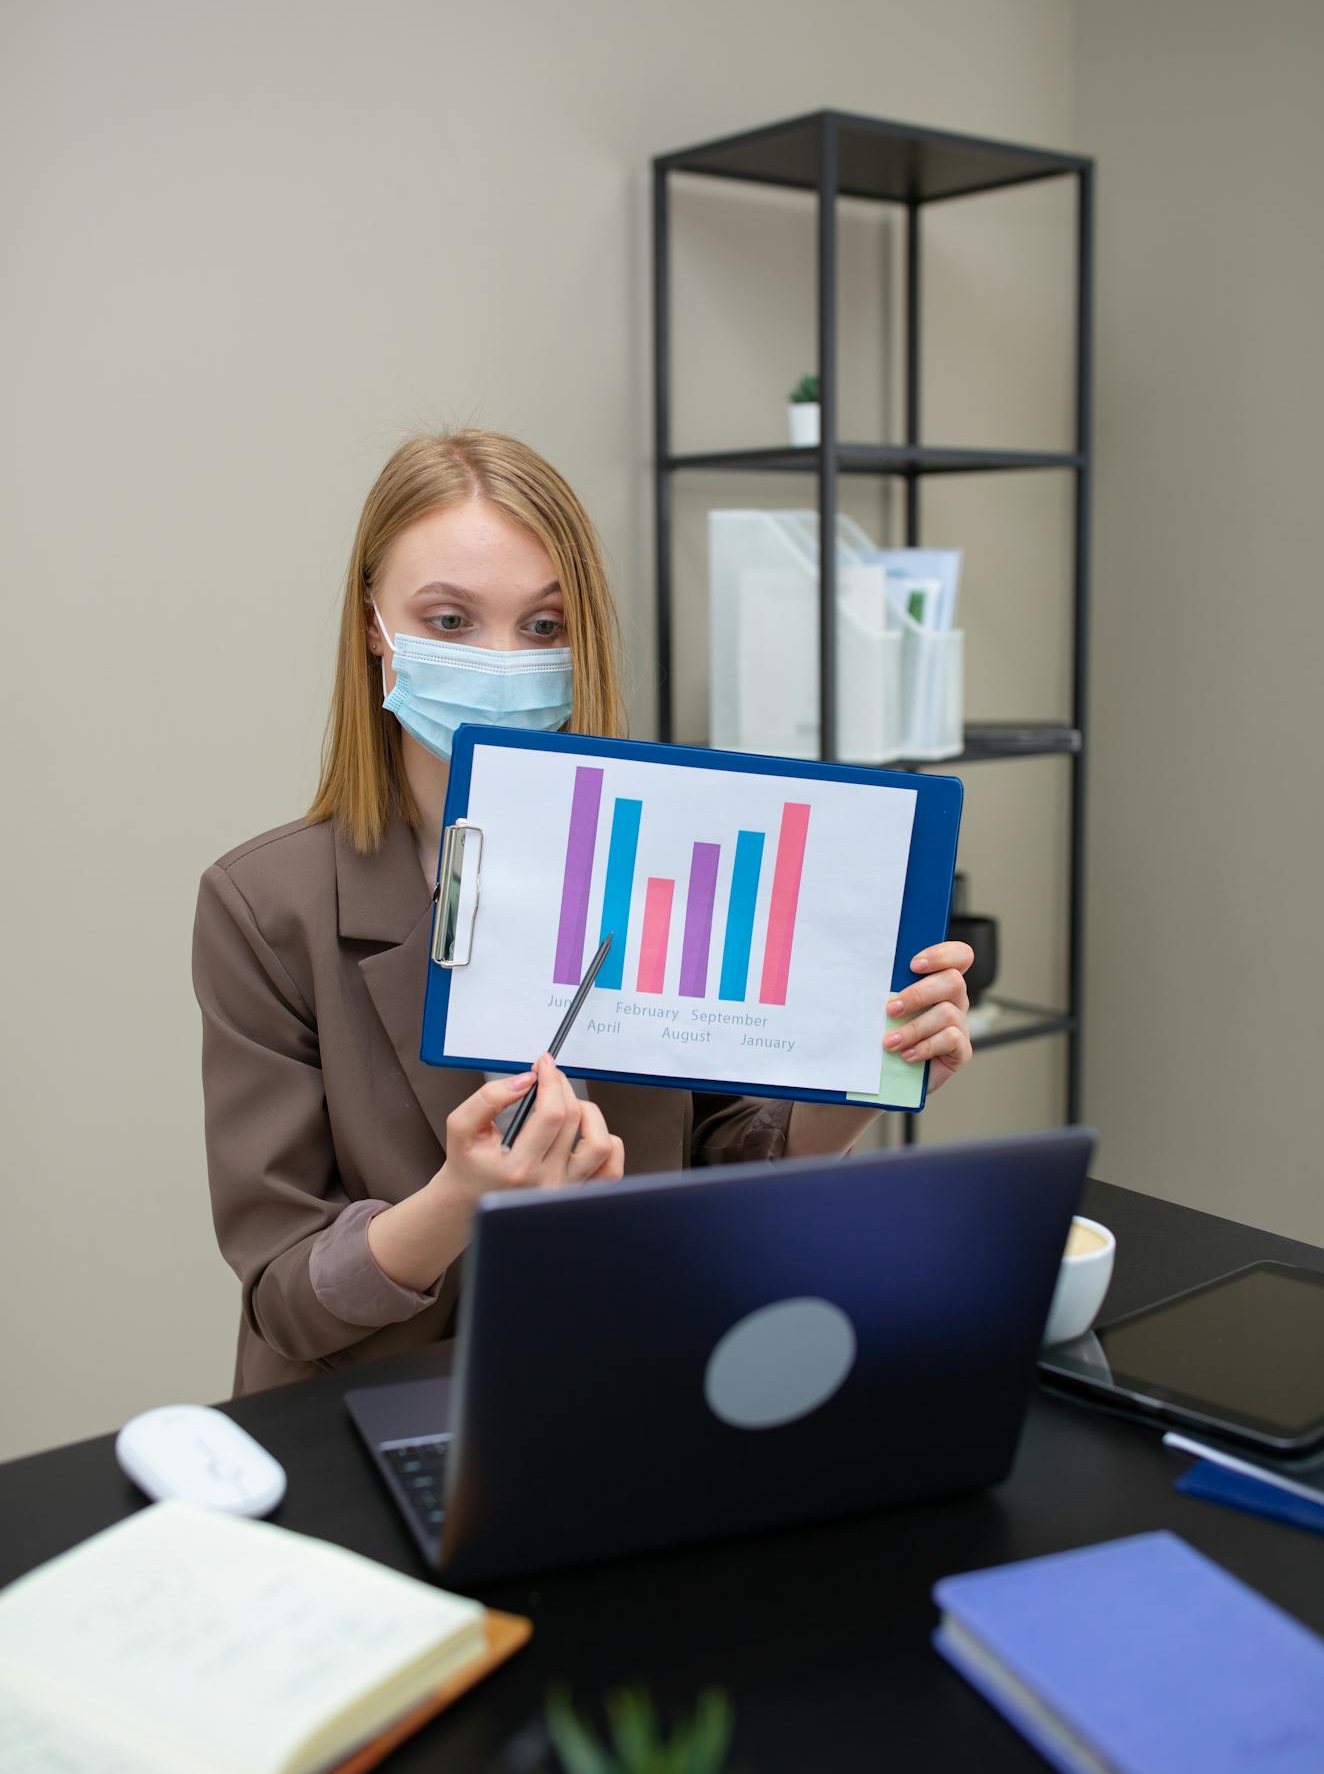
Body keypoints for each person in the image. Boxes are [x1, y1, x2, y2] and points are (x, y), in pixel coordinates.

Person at [193, 431, 974, 1395]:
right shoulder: (267, 907)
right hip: (372, 1413)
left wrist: (854, 1079)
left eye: (542, 628)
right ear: (372, 626)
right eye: (448, 618)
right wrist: (459, 1200)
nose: (500, 661)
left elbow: (729, 1161)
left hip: (629, 1383)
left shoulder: (677, 856)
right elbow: (285, 1295)